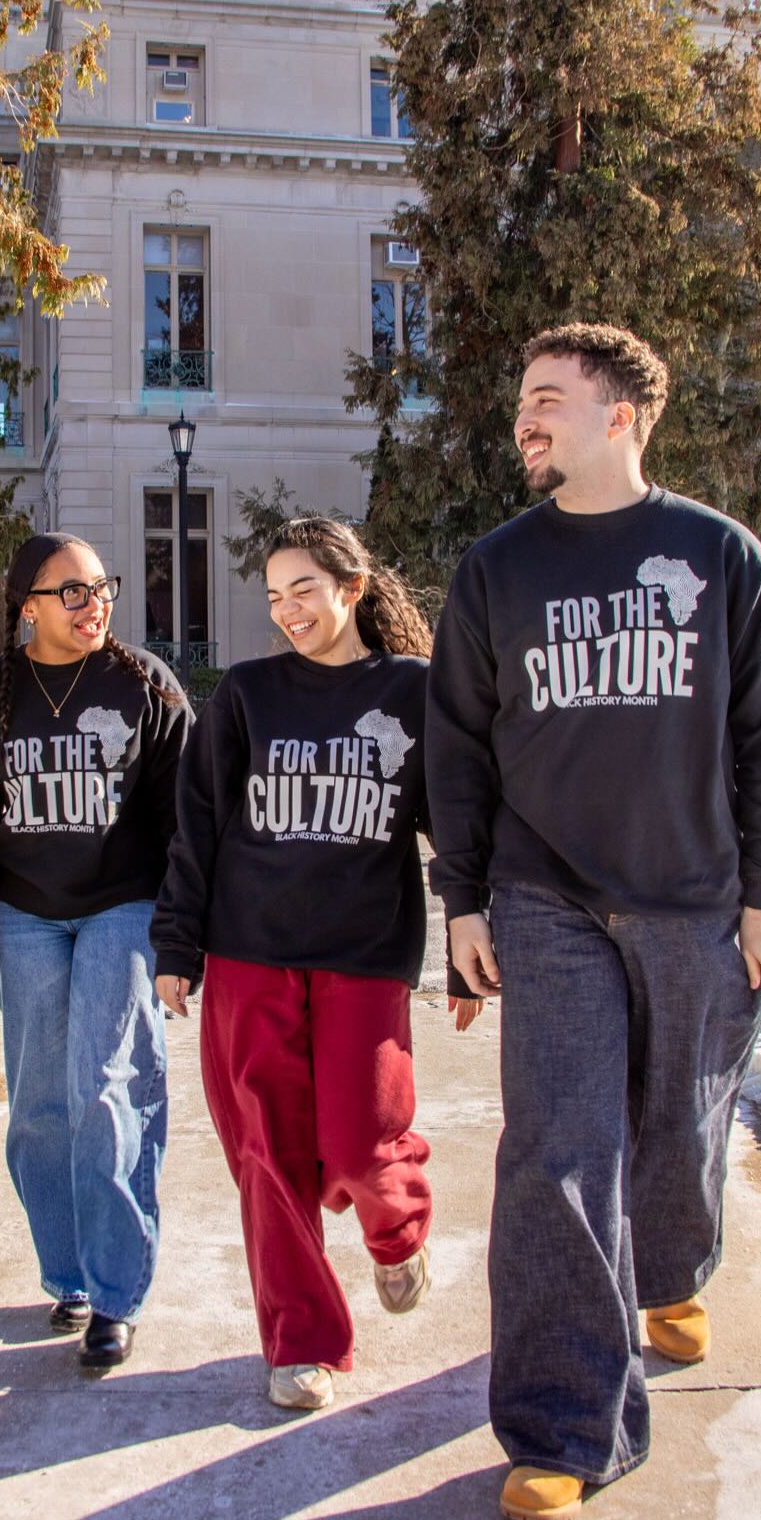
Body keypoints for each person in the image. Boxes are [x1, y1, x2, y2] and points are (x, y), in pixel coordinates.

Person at [426, 323, 761, 1520]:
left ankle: (676, 1264)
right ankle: (562, 1421)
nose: (526, 418)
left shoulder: (716, 555)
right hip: (547, 900)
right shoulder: (496, 570)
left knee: (675, 1117)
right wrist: (467, 897)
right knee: (556, 1148)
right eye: (522, 399)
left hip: (693, 893)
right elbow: (457, 746)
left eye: (548, 398)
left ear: (620, 415)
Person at [152, 517, 474, 1413]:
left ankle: (398, 1229)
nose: (288, 610)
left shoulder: (412, 691)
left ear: (352, 587)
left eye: (304, 589)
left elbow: (452, 822)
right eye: (274, 595)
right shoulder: (249, 693)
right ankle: (303, 1341)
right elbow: (198, 827)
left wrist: (465, 932)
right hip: (248, 952)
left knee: (364, 1140)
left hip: (364, 956)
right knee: (268, 1154)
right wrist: (176, 946)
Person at [0, 531, 191, 1369]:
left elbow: (184, 816)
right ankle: (64, 1271)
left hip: (119, 906)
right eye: (71, 591)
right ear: (26, 604)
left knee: (108, 1087)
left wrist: (181, 931)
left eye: (103, 585)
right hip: (23, 914)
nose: (94, 602)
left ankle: (113, 1290)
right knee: (38, 1105)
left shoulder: (145, 686)